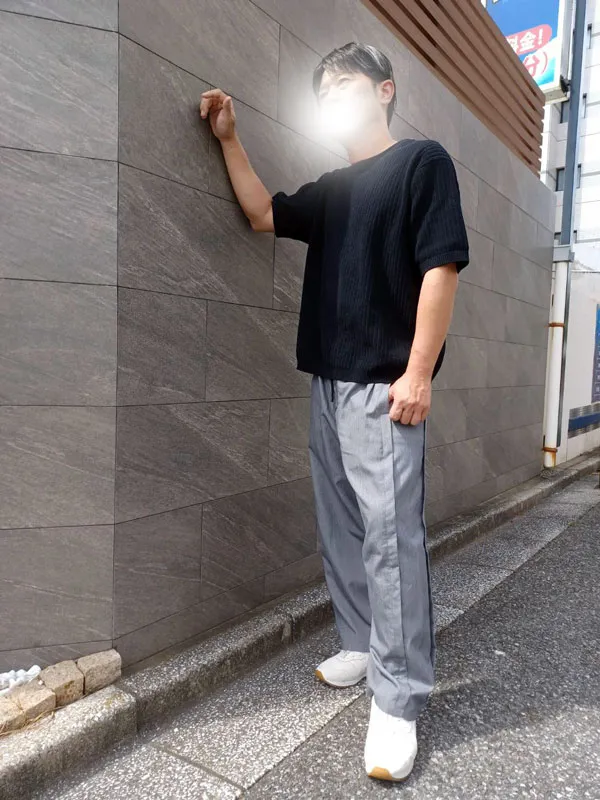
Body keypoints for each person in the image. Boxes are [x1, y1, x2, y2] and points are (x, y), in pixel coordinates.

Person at [200, 41, 469, 782]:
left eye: (346, 84)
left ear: (384, 90)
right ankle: (359, 642)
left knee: (390, 540)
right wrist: (229, 139)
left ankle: (399, 698)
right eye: (325, 92)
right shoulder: (333, 189)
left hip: (385, 386)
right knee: (342, 526)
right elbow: (262, 212)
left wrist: (418, 373)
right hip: (326, 379)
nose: (334, 98)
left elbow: (441, 266)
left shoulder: (422, 163)